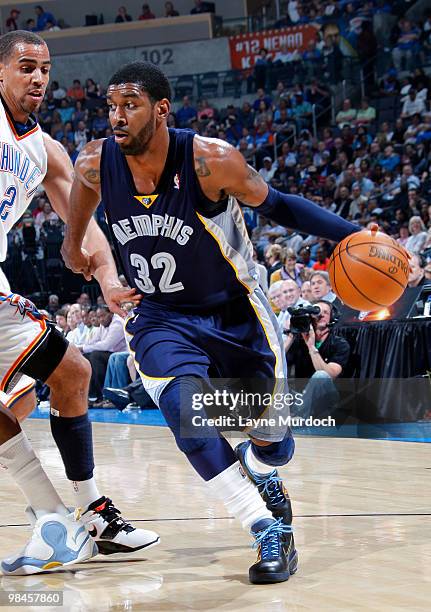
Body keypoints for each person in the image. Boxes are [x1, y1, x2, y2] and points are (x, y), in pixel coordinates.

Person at [61, 61, 359, 584]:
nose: (117, 117)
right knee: (185, 413)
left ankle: (262, 468)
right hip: (160, 317)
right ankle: (266, 529)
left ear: (161, 109)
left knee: (273, 439)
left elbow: (282, 205)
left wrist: (352, 234)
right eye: (111, 107)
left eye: (130, 105)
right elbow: (80, 201)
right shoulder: (94, 162)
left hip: (236, 313)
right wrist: (72, 242)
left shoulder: (208, 160)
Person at [0, 32, 159, 573]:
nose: (38, 78)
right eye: (25, 67)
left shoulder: (45, 152)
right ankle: (59, 518)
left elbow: (84, 228)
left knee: (71, 373)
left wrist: (109, 281)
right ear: (0, 72)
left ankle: (83, 515)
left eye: (45, 68)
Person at [285, 301, 350, 418]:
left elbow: (329, 374)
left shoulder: (340, 344)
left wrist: (311, 346)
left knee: (320, 376)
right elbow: (275, 362)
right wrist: (291, 334)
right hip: (300, 398)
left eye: (326, 312)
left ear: (332, 318)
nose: (321, 315)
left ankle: (300, 417)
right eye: (317, 312)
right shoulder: (298, 341)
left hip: (326, 399)